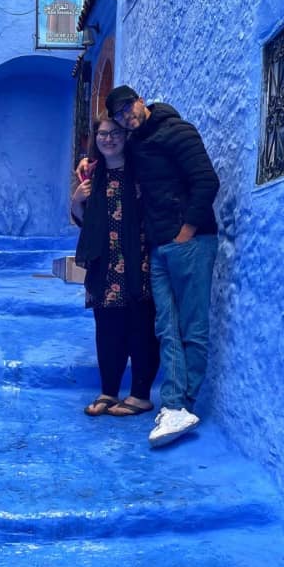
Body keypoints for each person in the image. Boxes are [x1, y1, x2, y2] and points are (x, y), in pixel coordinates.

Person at [101, 84, 220, 448]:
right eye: (119, 114)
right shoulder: (135, 143)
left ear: (141, 100)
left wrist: (186, 230)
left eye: (128, 108)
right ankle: (172, 406)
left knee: (192, 326)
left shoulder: (178, 131)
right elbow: (115, 156)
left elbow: (206, 181)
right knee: (165, 326)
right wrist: (90, 162)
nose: (126, 117)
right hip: (160, 246)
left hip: (191, 243)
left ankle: (182, 404)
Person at [71, 116, 160, 417]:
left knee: (141, 328)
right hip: (105, 266)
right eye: (102, 134)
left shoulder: (140, 170)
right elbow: (87, 223)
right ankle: (108, 392)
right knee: (107, 330)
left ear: (126, 136)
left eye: (115, 133)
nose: (108, 139)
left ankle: (140, 395)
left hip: (139, 262)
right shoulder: (91, 176)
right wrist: (75, 203)